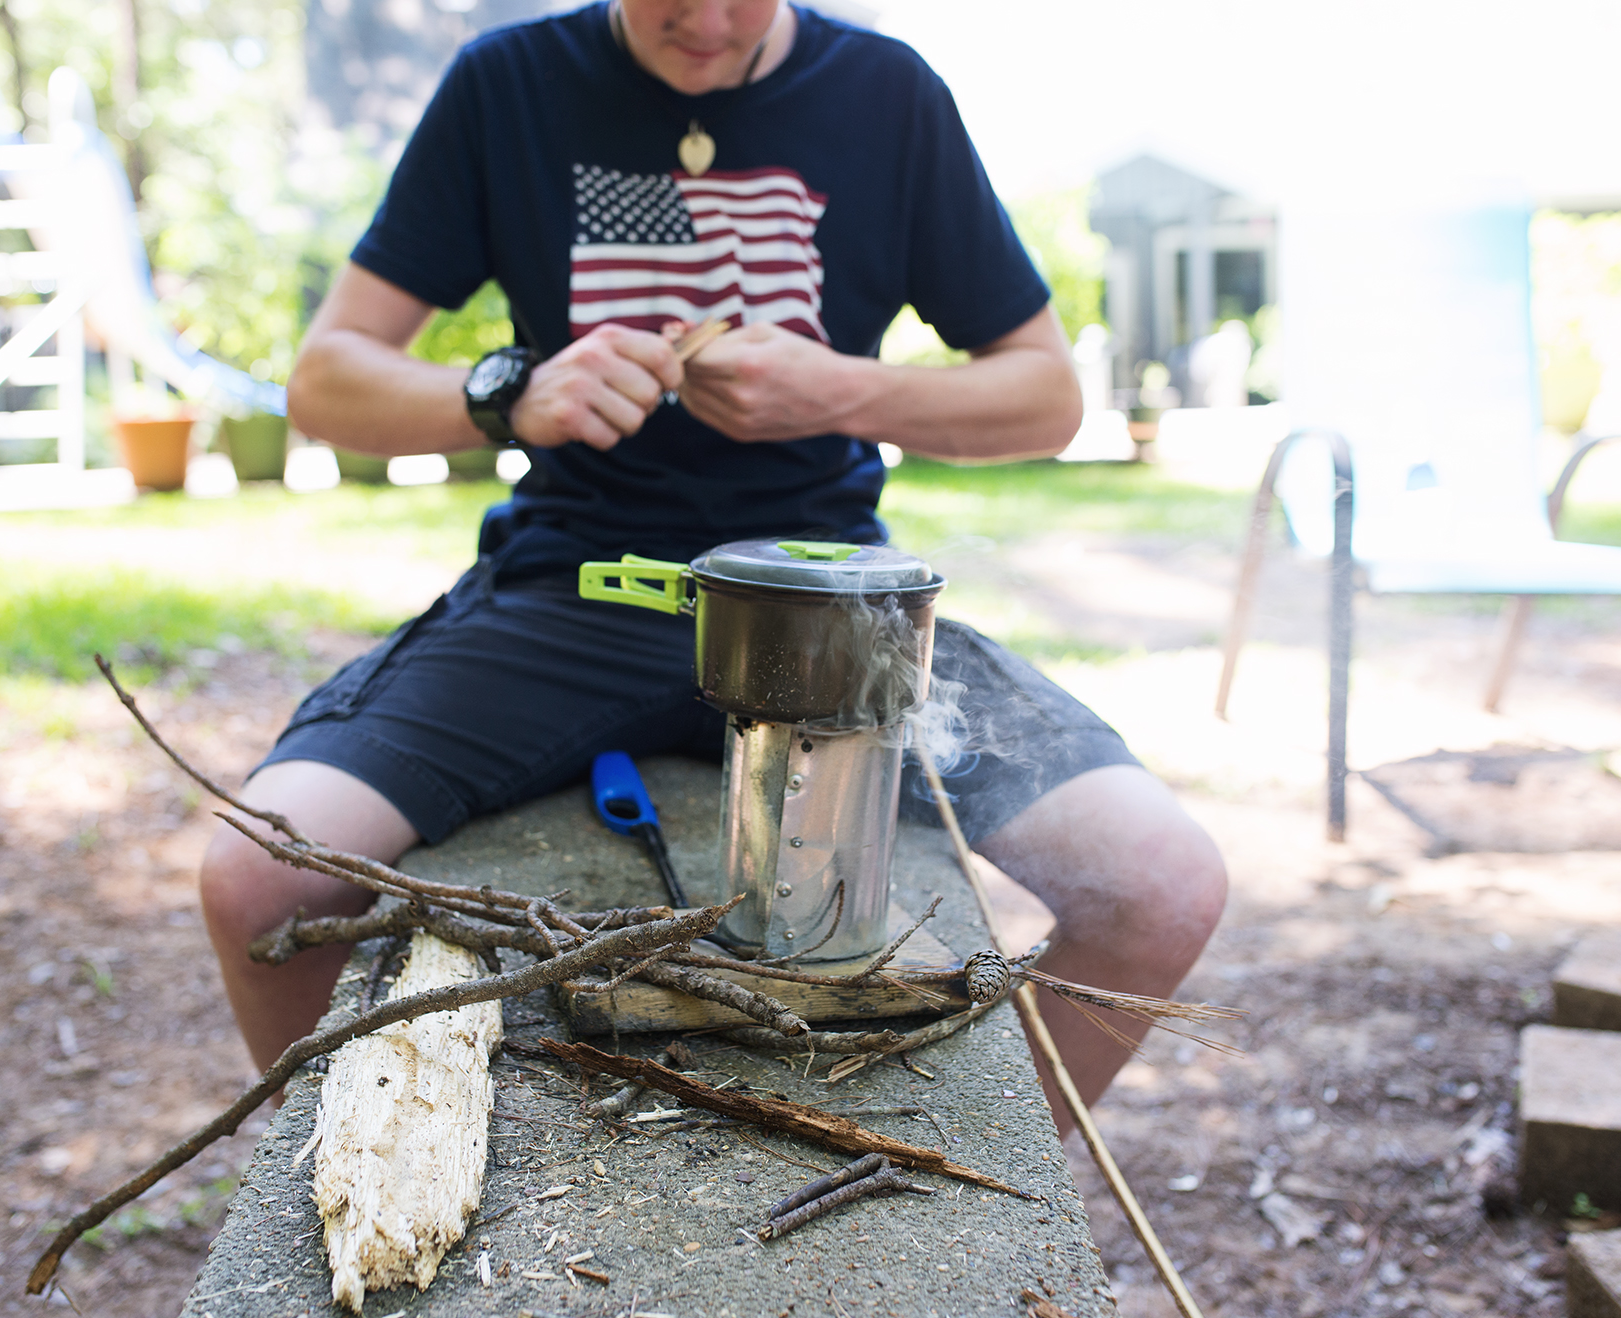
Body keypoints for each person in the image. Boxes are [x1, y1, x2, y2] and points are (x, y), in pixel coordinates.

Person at [200, 0, 1226, 1131]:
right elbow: (325, 381)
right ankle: (335, 1189)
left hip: (830, 611)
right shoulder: (510, 80)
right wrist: (510, 394)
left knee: (1160, 888)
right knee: (259, 879)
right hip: (569, 594)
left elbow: (1043, 395)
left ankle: (988, 1202)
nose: (706, 22)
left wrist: (840, 389)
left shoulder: (885, 92)